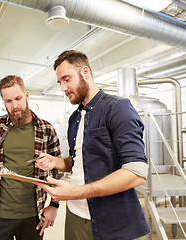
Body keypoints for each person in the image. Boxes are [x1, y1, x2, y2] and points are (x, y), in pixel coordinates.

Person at [35, 50, 150, 240]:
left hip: (109, 221)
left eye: (67, 79)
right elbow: (79, 160)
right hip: (74, 214)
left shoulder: (117, 108)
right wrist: (55, 162)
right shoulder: (74, 118)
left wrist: (77, 192)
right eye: (60, 82)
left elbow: (136, 173)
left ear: (85, 72)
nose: (63, 88)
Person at [0, 75, 62, 240]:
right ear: (3, 101)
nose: (15, 106)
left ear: (27, 95)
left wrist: (54, 205)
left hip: (33, 216)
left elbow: (58, 169)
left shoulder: (46, 129)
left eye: (18, 98)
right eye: (8, 101)